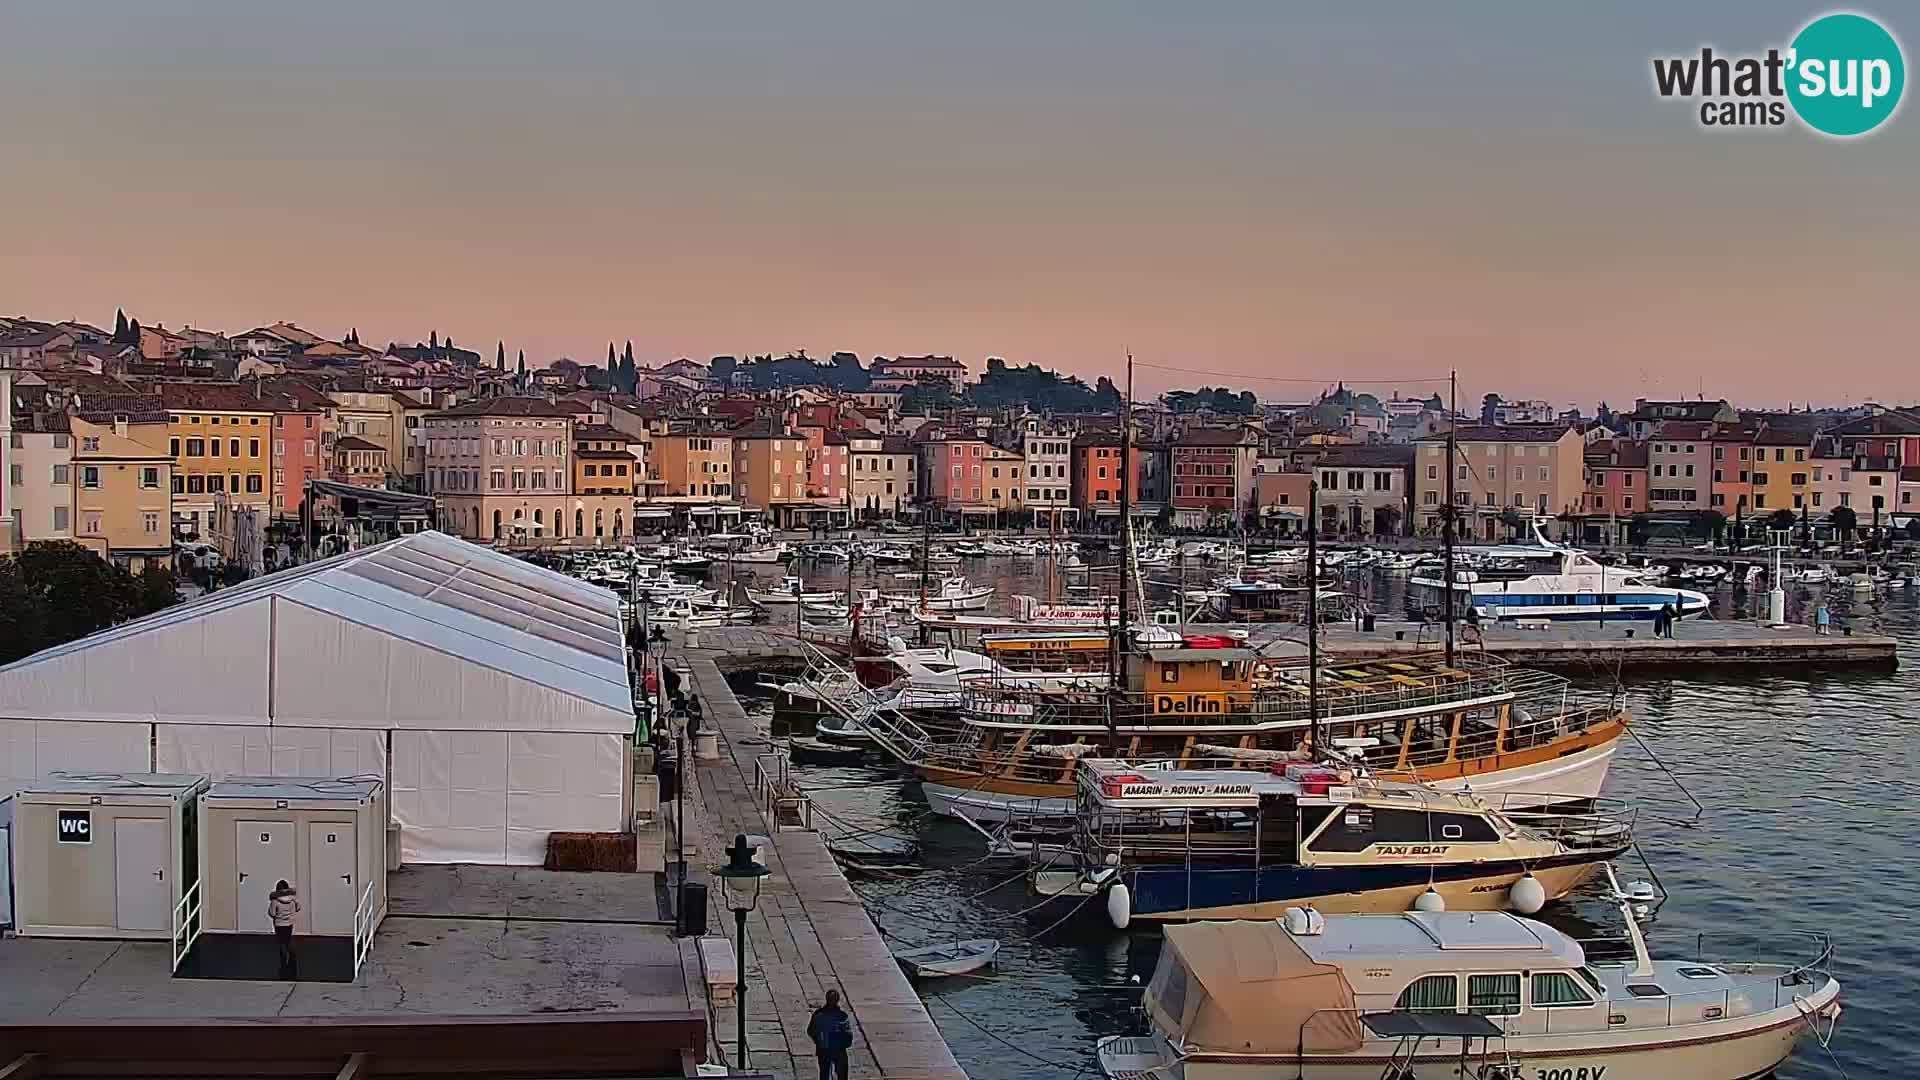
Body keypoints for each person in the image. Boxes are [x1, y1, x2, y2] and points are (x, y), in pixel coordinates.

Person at [807, 989, 853, 1080]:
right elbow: (848, 1034)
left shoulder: (818, 1014)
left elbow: (810, 1031)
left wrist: (818, 1041)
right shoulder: (842, 1015)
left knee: (824, 1073)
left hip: (824, 1049)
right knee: (842, 1073)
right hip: (838, 1050)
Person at [268, 880, 301, 973]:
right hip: (289, 924)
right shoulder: (293, 899)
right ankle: (292, 957)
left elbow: (272, 913)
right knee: (289, 940)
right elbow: (298, 908)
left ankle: (283, 962)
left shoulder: (275, 901)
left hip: (279, 925)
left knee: (281, 942)